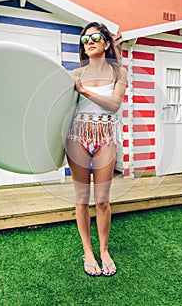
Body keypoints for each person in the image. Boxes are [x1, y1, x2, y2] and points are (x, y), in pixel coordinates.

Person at [66, 22, 127, 277]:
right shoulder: (75, 74)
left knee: (102, 201)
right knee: (82, 201)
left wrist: (84, 91)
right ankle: (88, 250)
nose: (88, 42)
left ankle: (103, 251)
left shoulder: (119, 73)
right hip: (78, 139)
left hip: (105, 139)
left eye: (95, 37)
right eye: (84, 39)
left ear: (105, 43)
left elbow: (114, 104)